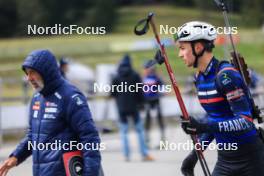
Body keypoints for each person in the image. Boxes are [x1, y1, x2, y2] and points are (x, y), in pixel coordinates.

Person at [174, 21, 264, 176]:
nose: (180, 54)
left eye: (183, 48)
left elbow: (245, 121)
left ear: (198, 47)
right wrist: (194, 155)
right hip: (226, 159)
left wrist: (204, 125)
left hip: (251, 158)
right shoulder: (200, 79)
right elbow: (214, 119)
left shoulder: (225, 75)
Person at [0, 50, 101, 176]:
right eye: (27, 73)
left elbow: (90, 138)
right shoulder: (37, 98)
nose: (29, 78)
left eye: (33, 73)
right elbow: (34, 135)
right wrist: (16, 156)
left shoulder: (71, 96)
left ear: (46, 72)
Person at [111, 54, 154, 162]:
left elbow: (113, 93)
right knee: (139, 130)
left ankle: (126, 155)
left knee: (124, 132)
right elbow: (140, 92)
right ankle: (144, 154)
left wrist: (119, 101)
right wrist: (143, 104)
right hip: (134, 107)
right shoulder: (135, 75)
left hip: (121, 108)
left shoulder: (116, 77)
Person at [142, 64, 165, 146]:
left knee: (159, 118)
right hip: (147, 101)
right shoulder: (144, 78)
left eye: (146, 68)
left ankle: (162, 139)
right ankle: (146, 139)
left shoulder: (156, 77)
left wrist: (161, 93)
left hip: (155, 100)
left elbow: (162, 86)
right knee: (147, 119)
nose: (145, 70)